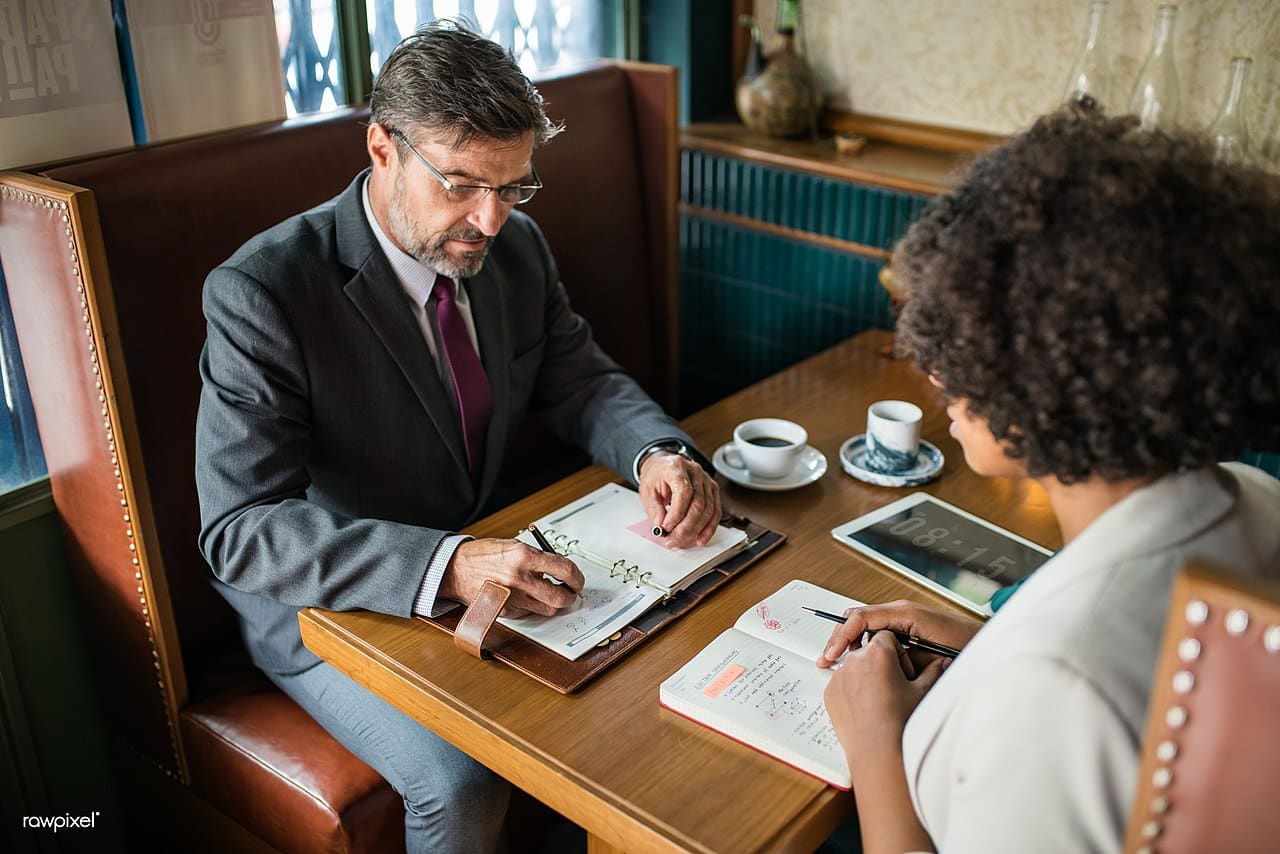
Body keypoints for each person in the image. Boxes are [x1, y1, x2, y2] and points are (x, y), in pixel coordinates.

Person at [195, 21, 720, 853]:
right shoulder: (264, 291)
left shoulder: (516, 249)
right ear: (382, 148)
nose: (490, 219)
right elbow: (240, 532)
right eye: (463, 185)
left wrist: (662, 452)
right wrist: (448, 563)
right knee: (460, 781)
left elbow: (577, 378)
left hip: (489, 568)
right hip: (334, 608)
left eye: (513, 189)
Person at [817, 107, 1280, 853]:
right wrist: (993, 642)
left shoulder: (1058, 688)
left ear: (1048, 373)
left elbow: (1082, 687)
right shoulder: (1253, 495)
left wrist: (875, 743)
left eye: (963, 342)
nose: (934, 371)